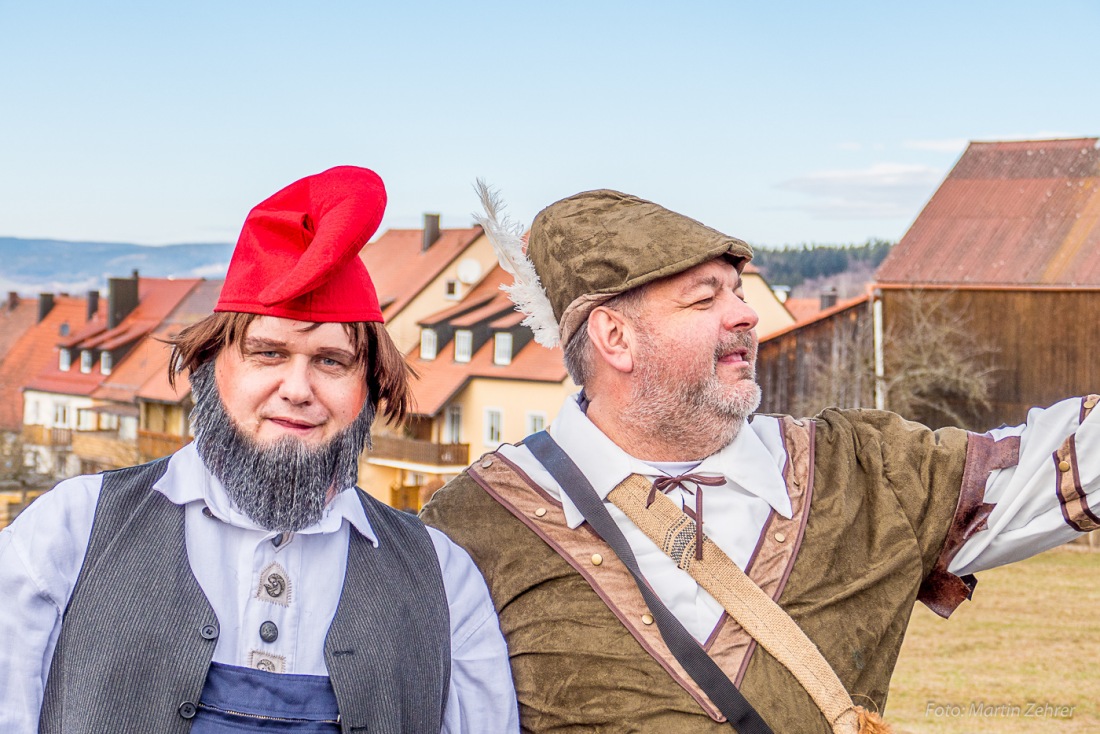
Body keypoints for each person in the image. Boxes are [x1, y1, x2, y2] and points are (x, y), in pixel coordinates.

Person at [420, 187, 1100, 732]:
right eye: (706, 297)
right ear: (615, 337)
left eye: (739, 290)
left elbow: (1065, 462)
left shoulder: (865, 473)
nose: (746, 315)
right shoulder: (472, 528)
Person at [0, 166, 518, 733]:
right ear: (208, 368)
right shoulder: (69, 534)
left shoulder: (442, 580)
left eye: (331, 361)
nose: (298, 390)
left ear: (368, 390)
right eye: (268, 353)